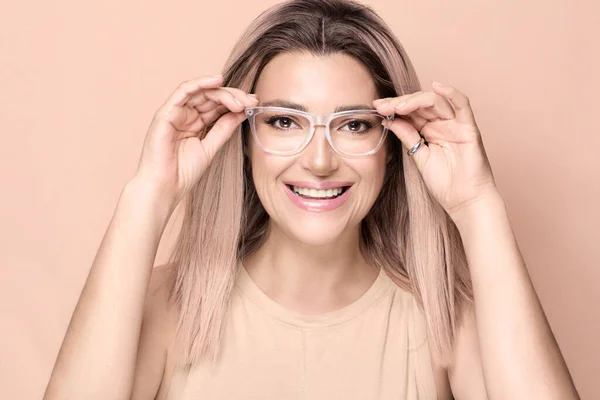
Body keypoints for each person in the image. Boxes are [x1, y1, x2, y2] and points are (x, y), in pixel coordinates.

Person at [44, 0, 580, 399]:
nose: (319, 161)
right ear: (243, 139)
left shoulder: (446, 319)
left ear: (391, 148)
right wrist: (149, 195)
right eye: (283, 121)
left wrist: (477, 205)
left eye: (352, 124)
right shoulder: (164, 305)